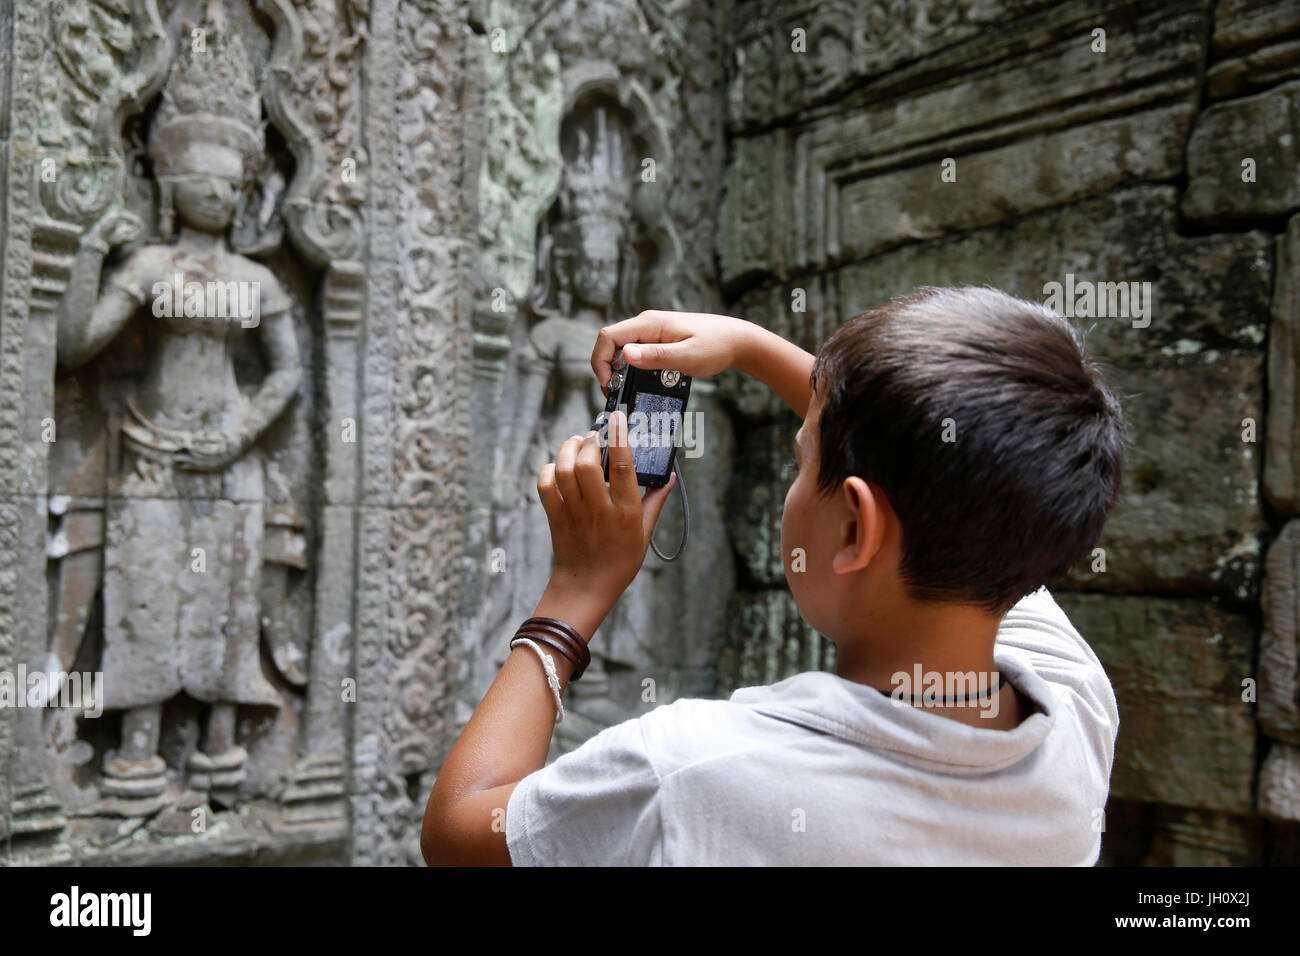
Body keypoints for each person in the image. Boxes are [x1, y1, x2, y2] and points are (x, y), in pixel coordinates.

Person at [422, 286, 1126, 866]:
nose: (796, 475)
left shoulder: (693, 775)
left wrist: (575, 593)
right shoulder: (1075, 711)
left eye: (802, 461)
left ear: (855, 528)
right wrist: (751, 347)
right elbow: (973, 486)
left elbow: (459, 830)